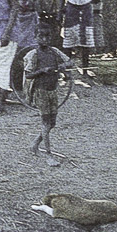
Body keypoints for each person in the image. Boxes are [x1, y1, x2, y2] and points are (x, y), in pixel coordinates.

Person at [23, 21, 73, 167]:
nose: (44, 39)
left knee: (52, 123)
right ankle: (49, 154)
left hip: (52, 91)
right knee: (46, 122)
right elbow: (28, 75)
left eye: (47, 36)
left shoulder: (54, 52)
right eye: (41, 36)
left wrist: (62, 67)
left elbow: (70, 62)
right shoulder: (33, 55)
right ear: (35, 37)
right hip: (41, 92)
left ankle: (35, 145)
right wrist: (42, 71)